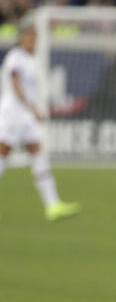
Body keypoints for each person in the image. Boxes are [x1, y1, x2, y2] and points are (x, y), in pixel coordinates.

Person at [0, 20, 80, 221]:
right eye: (30, 37)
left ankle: (52, 205)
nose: (33, 40)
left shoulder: (31, 59)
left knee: (38, 153)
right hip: (12, 114)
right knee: (3, 154)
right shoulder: (15, 57)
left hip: (25, 115)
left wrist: (31, 110)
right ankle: (52, 204)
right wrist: (32, 109)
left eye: (35, 37)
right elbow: (15, 86)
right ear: (21, 38)